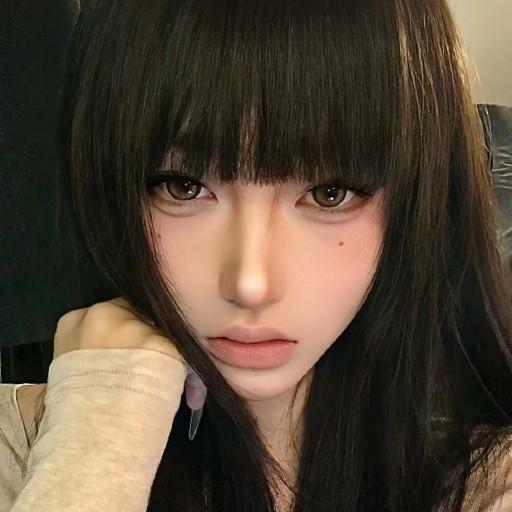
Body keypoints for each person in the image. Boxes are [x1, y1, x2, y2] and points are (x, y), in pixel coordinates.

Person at [1, 0, 512, 510]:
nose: (250, 283)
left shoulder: (485, 483)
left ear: (416, 201)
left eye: (329, 193)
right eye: (183, 186)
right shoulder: (13, 447)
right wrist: (93, 451)